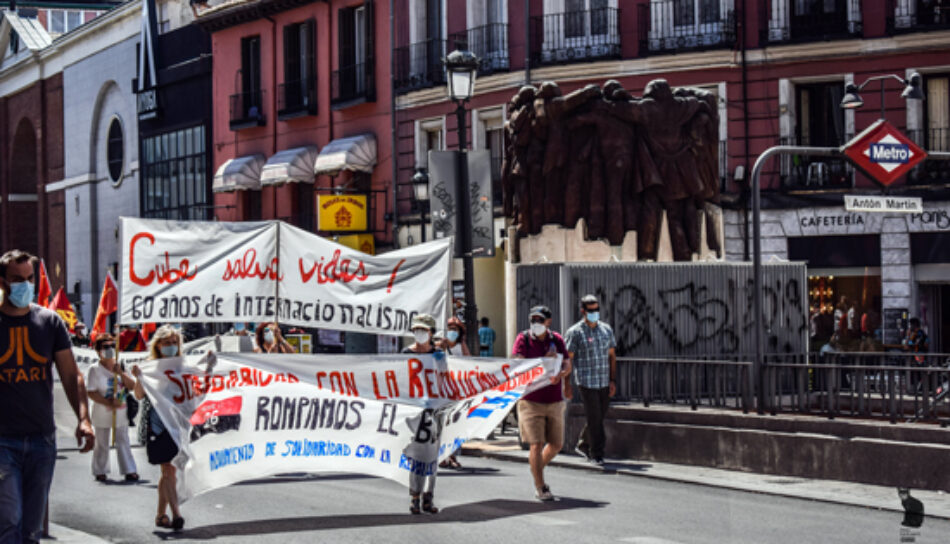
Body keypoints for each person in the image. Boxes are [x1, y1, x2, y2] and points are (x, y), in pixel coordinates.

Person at [0, 249, 95, 543]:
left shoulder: (50, 322)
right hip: (3, 441)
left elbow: (71, 375)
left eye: (30, 279)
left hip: (42, 440)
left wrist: (84, 419)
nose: (25, 286)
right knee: (9, 522)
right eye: (17, 280)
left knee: (32, 529)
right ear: (2, 283)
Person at [512, 305, 572, 501]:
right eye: (533, 320)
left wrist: (563, 373)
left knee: (556, 444)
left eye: (540, 320)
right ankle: (540, 486)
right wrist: (542, 362)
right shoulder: (524, 339)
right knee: (536, 444)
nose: (536, 324)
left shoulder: (557, 339)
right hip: (530, 400)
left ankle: (535, 467)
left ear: (548, 322)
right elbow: (518, 365)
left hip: (554, 400)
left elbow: (567, 363)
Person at [132, 325, 185, 531]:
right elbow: (138, 395)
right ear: (158, 345)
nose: (171, 346)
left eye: (175, 343)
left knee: (169, 472)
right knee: (168, 470)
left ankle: (160, 515)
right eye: (167, 343)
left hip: (177, 425)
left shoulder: (182, 366)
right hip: (158, 426)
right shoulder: (150, 366)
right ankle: (177, 514)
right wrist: (139, 377)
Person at [564, 294, 616, 466]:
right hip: (586, 382)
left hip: (603, 380)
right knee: (594, 417)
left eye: (596, 309)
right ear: (583, 311)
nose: (594, 313)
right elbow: (569, 359)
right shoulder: (575, 332)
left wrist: (612, 380)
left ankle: (584, 444)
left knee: (599, 417)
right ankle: (597, 453)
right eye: (590, 310)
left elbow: (612, 355)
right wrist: (568, 384)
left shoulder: (606, 329)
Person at [400, 314, 441, 514]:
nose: (420, 334)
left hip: (436, 410)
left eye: (424, 330)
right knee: (417, 455)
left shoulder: (439, 355)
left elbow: (448, 379)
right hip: (414, 410)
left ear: (431, 333)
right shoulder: (405, 353)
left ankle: (428, 496)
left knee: (433, 455)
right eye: (417, 330)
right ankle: (415, 497)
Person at [86, 333, 139, 483]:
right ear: (98, 350)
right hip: (102, 412)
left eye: (111, 346)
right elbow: (91, 392)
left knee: (123, 440)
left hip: (121, 412)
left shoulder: (121, 364)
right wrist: (108, 402)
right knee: (102, 442)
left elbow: (132, 386)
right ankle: (100, 470)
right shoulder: (94, 369)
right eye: (105, 347)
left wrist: (120, 373)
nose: (109, 349)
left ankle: (129, 470)